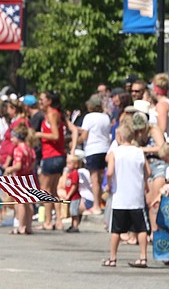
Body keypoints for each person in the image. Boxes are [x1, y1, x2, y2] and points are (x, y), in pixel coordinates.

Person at [103, 123, 149, 268]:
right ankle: (143, 256)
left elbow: (110, 172)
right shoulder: (138, 151)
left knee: (116, 229)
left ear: (120, 137)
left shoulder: (115, 153)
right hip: (136, 195)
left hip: (120, 196)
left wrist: (109, 184)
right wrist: (145, 182)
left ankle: (113, 258)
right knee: (140, 228)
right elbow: (148, 171)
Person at [34, 90, 67, 230]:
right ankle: (57, 220)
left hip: (52, 155)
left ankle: (48, 221)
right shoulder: (51, 114)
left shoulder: (52, 114)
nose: (40, 102)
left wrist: (39, 134)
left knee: (46, 190)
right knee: (53, 190)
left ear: (49, 101)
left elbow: (55, 135)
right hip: (56, 155)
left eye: (42, 99)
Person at [73, 94, 111, 214]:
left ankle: (96, 205)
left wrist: (74, 142)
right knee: (99, 178)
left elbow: (84, 136)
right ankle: (99, 202)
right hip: (105, 149)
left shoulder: (89, 117)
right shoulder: (106, 117)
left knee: (94, 179)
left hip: (93, 149)